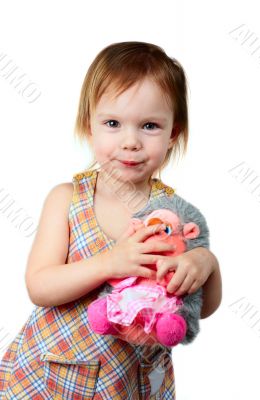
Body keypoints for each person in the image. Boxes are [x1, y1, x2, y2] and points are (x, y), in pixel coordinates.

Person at [0, 41, 222, 399]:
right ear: (90, 126)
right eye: (113, 123)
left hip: (128, 383)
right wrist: (109, 263)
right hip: (54, 375)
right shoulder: (67, 199)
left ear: (173, 134)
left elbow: (203, 308)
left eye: (149, 125)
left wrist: (206, 264)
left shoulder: (174, 216)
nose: (130, 141)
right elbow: (39, 286)